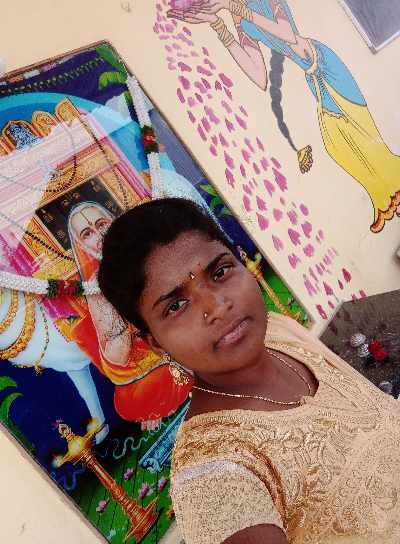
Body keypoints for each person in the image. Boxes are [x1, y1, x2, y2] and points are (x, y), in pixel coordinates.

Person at [98, 197, 400, 544]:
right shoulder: (214, 475)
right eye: (176, 305)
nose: (216, 306)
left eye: (220, 272)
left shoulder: (281, 333)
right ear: (156, 343)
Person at [167, 0, 400, 234]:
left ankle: (392, 185)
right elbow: (259, 75)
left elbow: (287, 34)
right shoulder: (238, 15)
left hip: (323, 62)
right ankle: (383, 198)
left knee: (362, 132)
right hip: (313, 76)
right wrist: (217, 24)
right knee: (339, 147)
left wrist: (234, 8)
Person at [67, 201, 191, 428]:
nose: (100, 235)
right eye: (87, 234)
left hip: (184, 331)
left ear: (114, 221)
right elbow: (117, 359)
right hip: (150, 363)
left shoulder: (148, 251)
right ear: (82, 245)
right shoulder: (96, 288)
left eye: (101, 224)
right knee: (140, 397)